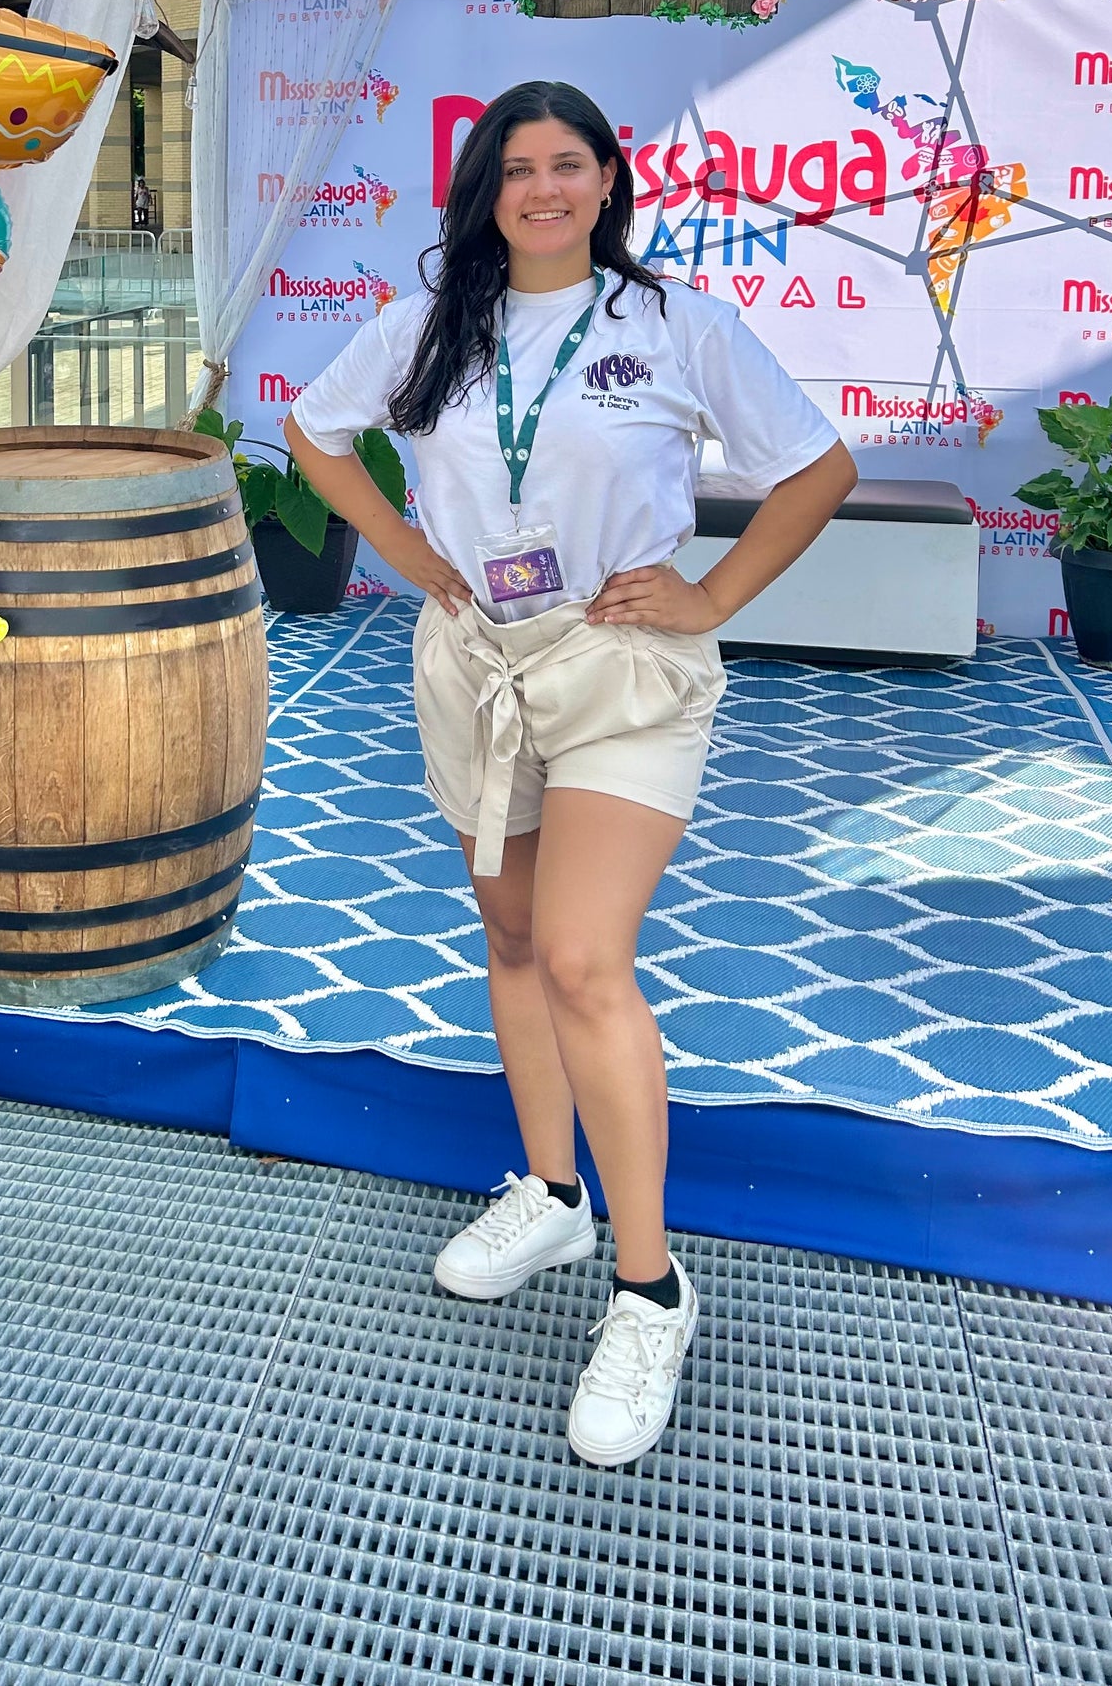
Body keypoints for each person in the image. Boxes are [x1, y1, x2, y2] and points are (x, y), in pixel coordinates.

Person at [284, 79, 854, 1467]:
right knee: (514, 939)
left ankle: (650, 1293)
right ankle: (550, 1194)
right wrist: (403, 550)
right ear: (482, 189)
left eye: (567, 164)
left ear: (607, 180)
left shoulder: (673, 325)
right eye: (516, 167)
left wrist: (711, 595)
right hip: (476, 663)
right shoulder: (427, 325)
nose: (541, 189)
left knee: (587, 957)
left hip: (620, 668)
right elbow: (312, 430)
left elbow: (816, 470)